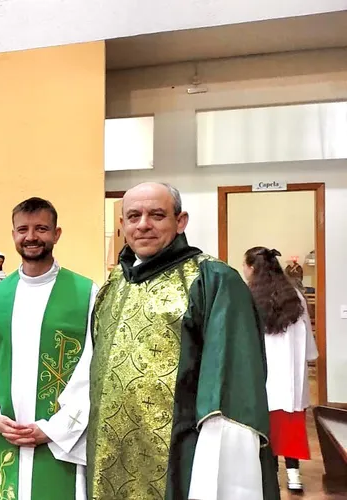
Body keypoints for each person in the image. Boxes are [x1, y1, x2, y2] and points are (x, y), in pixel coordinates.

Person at [84, 182, 278, 499]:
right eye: (133, 216)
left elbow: (231, 389)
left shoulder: (212, 280)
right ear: (122, 226)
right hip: (107, 460)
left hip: (183, 461)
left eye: (156, 215)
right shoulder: (115, 283)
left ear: (181, 221)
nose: (143, 224)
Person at [0, 197, 97, 499]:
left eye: (41, 228)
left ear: (57, 233)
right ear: (13, 235)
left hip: (60, 438)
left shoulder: (84, 292)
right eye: (22, 229)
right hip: (7, 434)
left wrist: (54, 429)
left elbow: (93, 367)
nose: (31, 237)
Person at [244, 247, 319, 492]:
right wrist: (306, 358)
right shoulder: (295, 297)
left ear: (253, 268)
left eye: (245, 266)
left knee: (265, 427)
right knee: (290, 427)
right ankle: (294, 476)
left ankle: (268, 477)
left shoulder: (249, 298)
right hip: (290, 377)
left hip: (261, 375)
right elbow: (307, 338)